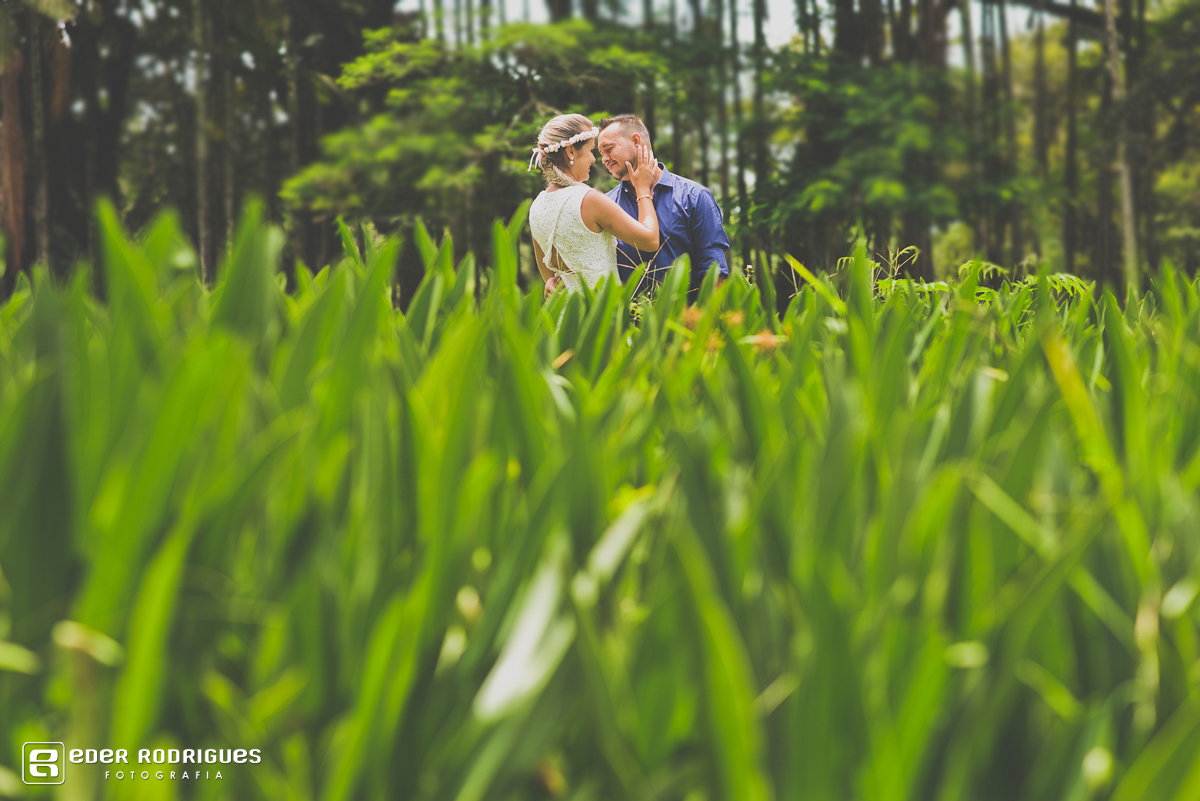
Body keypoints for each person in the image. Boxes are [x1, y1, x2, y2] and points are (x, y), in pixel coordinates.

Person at [527, 113, 660, 298]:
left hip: (564, 317)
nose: (594, 159)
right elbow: (650, 241)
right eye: (590, 151)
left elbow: (548, 272)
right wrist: (643, 189)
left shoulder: (537, 206)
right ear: (571, 151)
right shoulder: (589, 200)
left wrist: (550, 281)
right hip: (600, 315)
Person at [597, 115, 732, 293]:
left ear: (636, 141)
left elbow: (713, 269)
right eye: (601, 154)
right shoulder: (606, 204)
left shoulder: (695, 196)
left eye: (609, 149)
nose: (604, 159)